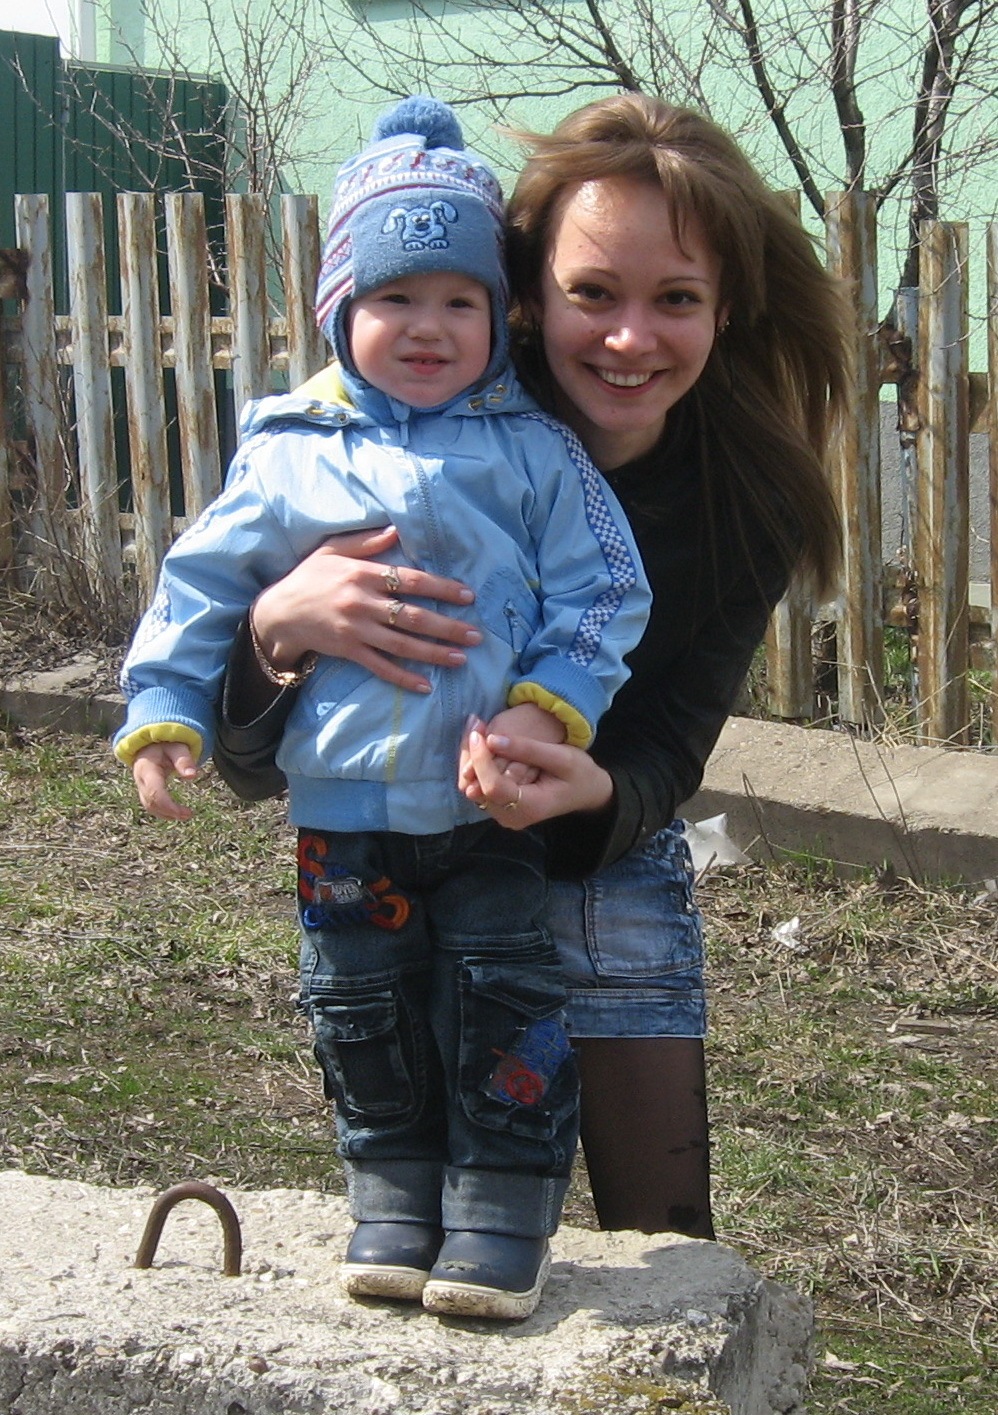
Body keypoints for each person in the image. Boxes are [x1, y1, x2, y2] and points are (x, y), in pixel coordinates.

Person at [214, 95, 851, 1242]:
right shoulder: (394, 439)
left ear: (724, 308)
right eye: (591, 292)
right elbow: (245, 763)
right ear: (526, 295)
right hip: (401, 843)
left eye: (675, 299)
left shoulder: (745, 496)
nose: (629, 338)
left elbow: (669, 744)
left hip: (599, 860)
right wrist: (278, 626)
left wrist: (596, 788)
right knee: (434, 1202)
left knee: (664, 1237)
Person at [112, 97, 650, 1322]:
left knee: (501, 999)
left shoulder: (533, 451)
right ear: (338, 310)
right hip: (342, 811)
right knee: (358, 1002)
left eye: (460, 300)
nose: (426, 325)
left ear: (496, 318)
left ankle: (503, 1208)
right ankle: (392, 1193)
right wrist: (165, 706)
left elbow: (605, 592)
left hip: (485, 803)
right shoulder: (287, 449)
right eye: (394, 296)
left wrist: (547, 710)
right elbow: (200, 586)